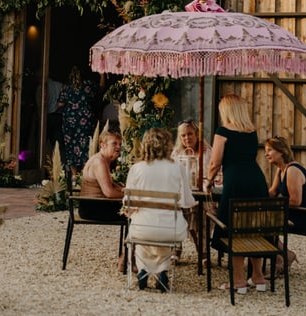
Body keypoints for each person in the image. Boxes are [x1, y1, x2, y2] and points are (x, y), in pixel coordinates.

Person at [208, 94, 269, 293]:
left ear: (226, 111)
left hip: (235, 182)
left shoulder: (223, 131)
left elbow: (215, 162)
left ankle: (238, 281)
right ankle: (258, 277)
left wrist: (208, 181)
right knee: (254, 226)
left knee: (235, 228)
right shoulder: (251, 132)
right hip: (257, 180)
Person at [125, 127, 195, 291]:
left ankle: (143, 270)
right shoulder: (178, 167)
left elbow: (129, 203)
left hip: (143, 229)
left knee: (141, 230)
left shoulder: (136, 169)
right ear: (167, 145)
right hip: (170, 229)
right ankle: (162, 270)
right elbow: (186, 201)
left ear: (145, 145)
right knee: (163, 234)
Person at [265, 135, 306, 272]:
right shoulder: (281, 169)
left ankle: (285, 255)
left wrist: (273, 206)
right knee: (256, 219)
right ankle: (281, 256)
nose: (266, 154)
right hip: (291, 214)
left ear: (281, 152)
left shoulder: (292, 170)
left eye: (269, 150)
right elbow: (272, 192)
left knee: (261, 223)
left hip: (302, 217)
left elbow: (295, 201)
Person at [171, 119, 215, 258]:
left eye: (190, 134)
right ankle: (176, 247)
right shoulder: (177, 153)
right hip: (182, 193)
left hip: (201, 193)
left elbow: (215, 173)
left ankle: (203, 249)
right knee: (176, 209)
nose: (187, 138)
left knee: (198, 209)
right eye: (183, 135)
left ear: (197, 134)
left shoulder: (207, 152)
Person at [57, 66, 100, 176]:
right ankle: (84, 174)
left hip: (70, 122)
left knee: (70, 147)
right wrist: (102, 75)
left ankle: (74, 176)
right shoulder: (88, 85)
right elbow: (100, 88)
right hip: (85, 121)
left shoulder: (66, 87)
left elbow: (60, 103)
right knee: (85, 146)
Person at [79, 129, 125, 218]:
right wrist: (129, 197)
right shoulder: (99, 162)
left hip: (95, 205)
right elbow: (109, 193)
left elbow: (111, 185)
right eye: (114, 143)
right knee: (135, 211)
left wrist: (125, 191)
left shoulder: (103, 159)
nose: (118, 147)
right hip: (92, 208)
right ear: (103, 145)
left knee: (134, 208)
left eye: (120, 144)